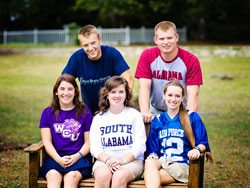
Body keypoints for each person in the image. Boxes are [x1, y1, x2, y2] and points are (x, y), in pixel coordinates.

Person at [144, 79, 212, 188]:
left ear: (182, 98)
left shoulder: (192, 117)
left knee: (151, 177)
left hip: (181, 165)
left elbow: (203, 143)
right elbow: (152, 149)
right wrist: (152, 156)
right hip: (162, 163)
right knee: (150, 162)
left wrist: (197, 149)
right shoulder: (157, 120)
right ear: (164, 96)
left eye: (177, 96)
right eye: (170, 95)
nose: (173, 99)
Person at [134, 21, 203, 123]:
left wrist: (189, 117)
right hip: (155, 110)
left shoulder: (190, 60)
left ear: (176, 37)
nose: (166, 42)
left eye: (169, 38)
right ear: (156, 40)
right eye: (162, 39)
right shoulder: (147, 55)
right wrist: (145, 112)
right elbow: (144, 87)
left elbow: (194, 94)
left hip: (181, 112)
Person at [62, 24, 134, 114]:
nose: (90, 48)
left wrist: (124, 103)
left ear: (99, 39)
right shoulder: (77, 58)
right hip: (87, 110)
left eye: (93, 43)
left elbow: (128, 79)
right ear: (81, 45)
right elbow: (64, 81)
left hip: (111, 109)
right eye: (85, 45)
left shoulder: (111, 54)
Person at [89, 76, 146, 188]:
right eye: (113, 92)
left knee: (119, 177)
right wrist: (108, 161)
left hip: (131, 161)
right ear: (107, 95)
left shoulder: (134, 115)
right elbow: (95, 147)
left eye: (121, 92)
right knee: (102, 176)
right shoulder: (99, 118)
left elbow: (140, 145)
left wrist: (123, 160)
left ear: (126, 94)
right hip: (105, 161)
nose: (117, 95)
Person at [39, 74, 93, 188]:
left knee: (71, 177)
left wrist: (76, 157)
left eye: (70, 89)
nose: (66, 93)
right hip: (55, 158)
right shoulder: (47, 113)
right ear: (56, 92)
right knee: (53, 176)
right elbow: (47, 142)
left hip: (79, 159)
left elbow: (89, 142)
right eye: (62, 89)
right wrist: (58, 159)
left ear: (75, 92)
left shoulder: (85, 112)